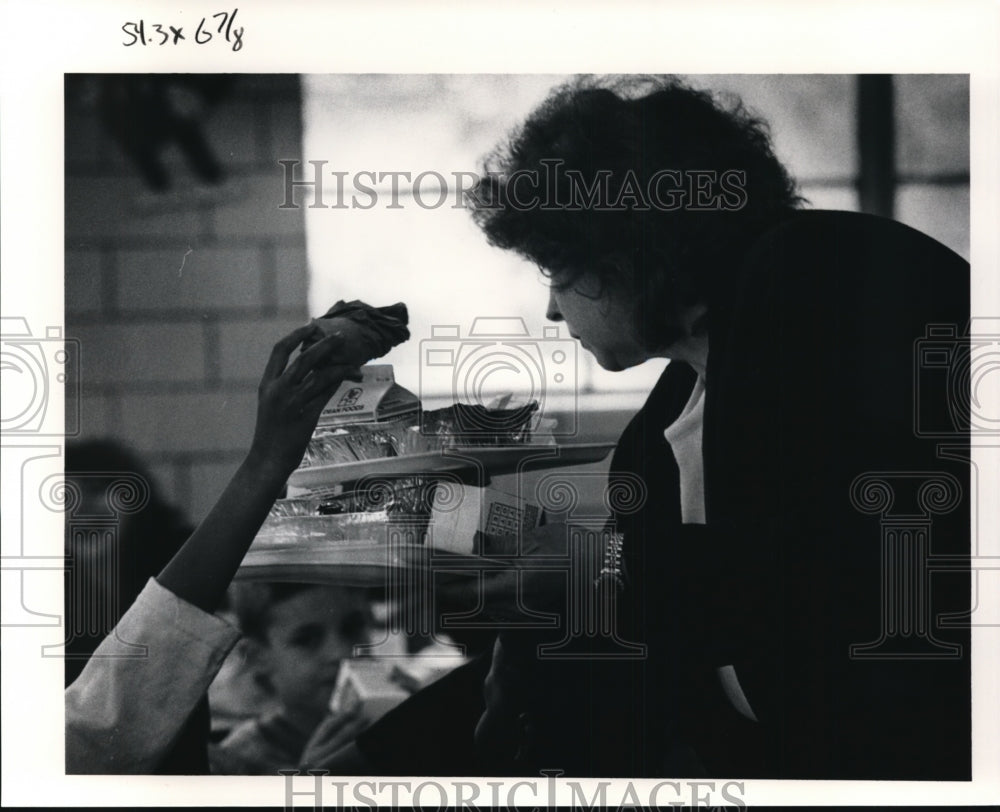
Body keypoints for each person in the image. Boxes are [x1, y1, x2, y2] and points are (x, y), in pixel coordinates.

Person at [332, 75, 971, 779]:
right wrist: (386, 750)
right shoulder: (665, 417)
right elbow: (635, 595)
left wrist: (583, 582)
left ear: (628, 248)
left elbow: (819, 581)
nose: (550, 309)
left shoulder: (811, 278)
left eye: (556, 268)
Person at [65, 324, 369, 773]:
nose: (80, 512)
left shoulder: (186, 569)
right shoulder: (61, 608)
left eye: (98, 493)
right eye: (64, 498)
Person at [209, 582, 373, 774]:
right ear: (257, 657)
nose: (341, 652)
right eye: (307, 639)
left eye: (352, 627)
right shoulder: (236, 764)